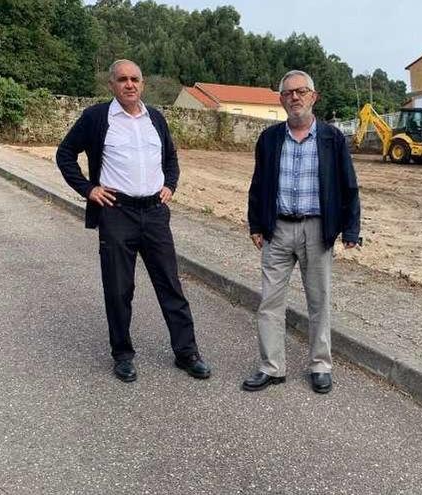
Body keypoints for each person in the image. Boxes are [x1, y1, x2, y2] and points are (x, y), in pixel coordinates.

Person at [56, 59, 211, 383]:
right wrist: (88, 189)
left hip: (155, 213)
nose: (130, 84)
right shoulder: (97, 118)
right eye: (122, 79)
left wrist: (170, 185)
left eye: (135, 79)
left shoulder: (155, 117)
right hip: (117, 213)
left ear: (143, 84)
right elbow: (65, 154)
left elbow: (170, 157)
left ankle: (187, 353)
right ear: (111, 85)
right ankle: (123, 355)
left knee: (170, 285)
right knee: (118, 288)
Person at [242, 70, 361, 394]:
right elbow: (258, 185)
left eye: (301, 91)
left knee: (319, 301)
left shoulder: (332, 138)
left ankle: (320, 365)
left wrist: (351, 228)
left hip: (317, 229)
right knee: (269, 301)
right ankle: (271, 367)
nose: (295, 97)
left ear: (313, 97)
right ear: (281, 100)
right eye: (288, 93)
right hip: (277, 230)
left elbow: (348, 186)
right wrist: (255, 224)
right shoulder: (269, 139)